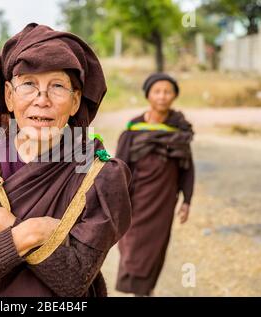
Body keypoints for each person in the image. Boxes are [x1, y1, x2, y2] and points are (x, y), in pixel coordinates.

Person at [0, 23, 132, 297]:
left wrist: (5, 226)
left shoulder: (100, 175)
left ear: (75, 102)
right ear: (9, 97)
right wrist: (29, 233)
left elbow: (73, 281)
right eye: (29, 85)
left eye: (58, 86)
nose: (42, 100)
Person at [115, 73, 195, 296]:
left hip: (163, 202)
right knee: (131, 245)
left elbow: (187, 169)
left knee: (154, 248)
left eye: (167, 91)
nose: (162, 96)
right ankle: (139, 289)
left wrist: (187, 200)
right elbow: (119, 168)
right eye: (157, 91)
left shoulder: (179, 132)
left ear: (175, 96)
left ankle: (145, 291)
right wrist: (116, 199)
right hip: (135, 201)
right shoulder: (133, 130)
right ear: (148, 95)